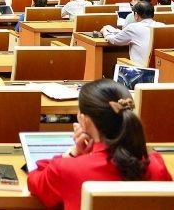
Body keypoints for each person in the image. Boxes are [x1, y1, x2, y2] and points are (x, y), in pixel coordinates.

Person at [28, 79, 172, 210]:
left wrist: (72, 154)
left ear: (84, 121)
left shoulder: (66, 169)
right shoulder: (156, 165)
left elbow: (35, 181)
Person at [100, 1, 163, 66]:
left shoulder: (133, 27)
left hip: (140, 70)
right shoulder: (162, 26)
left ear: (136, 15)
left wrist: (105, 31)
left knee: (114, 66)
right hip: (161, 68)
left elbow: (114, 40)